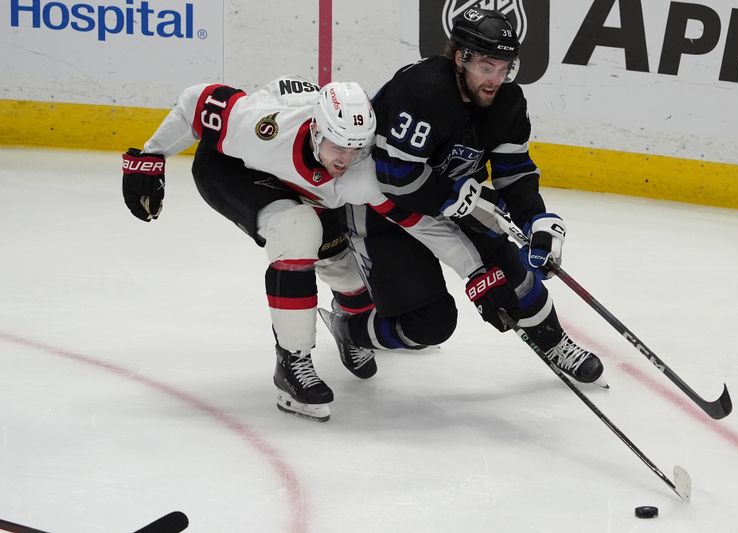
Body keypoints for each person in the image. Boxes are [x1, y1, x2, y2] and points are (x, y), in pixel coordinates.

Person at [327, 8, 604, 384]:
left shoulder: (507, 102)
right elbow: (394, 176)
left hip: (454, 200)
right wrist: (459, 210)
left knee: (514, 273)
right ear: (461, 58)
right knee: (429, 324)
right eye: (487, 67)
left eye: (505, 68)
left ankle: (553, 343)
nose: (496, 79)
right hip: (382, 211)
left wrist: (534, 218)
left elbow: (514, 170)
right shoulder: (424, 89)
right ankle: (352, 330)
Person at [121, 77, 409, 422]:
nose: (350, 157)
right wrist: (150, 157)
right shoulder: (260, 127)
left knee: (340, 261)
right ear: (317, 130)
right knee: (297, 229)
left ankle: (349, 325)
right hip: (234, 170)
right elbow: (195, 102)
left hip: (305, 177)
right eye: (340, 145)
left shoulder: (355, 155)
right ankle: (292, 365)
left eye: (357, 148)